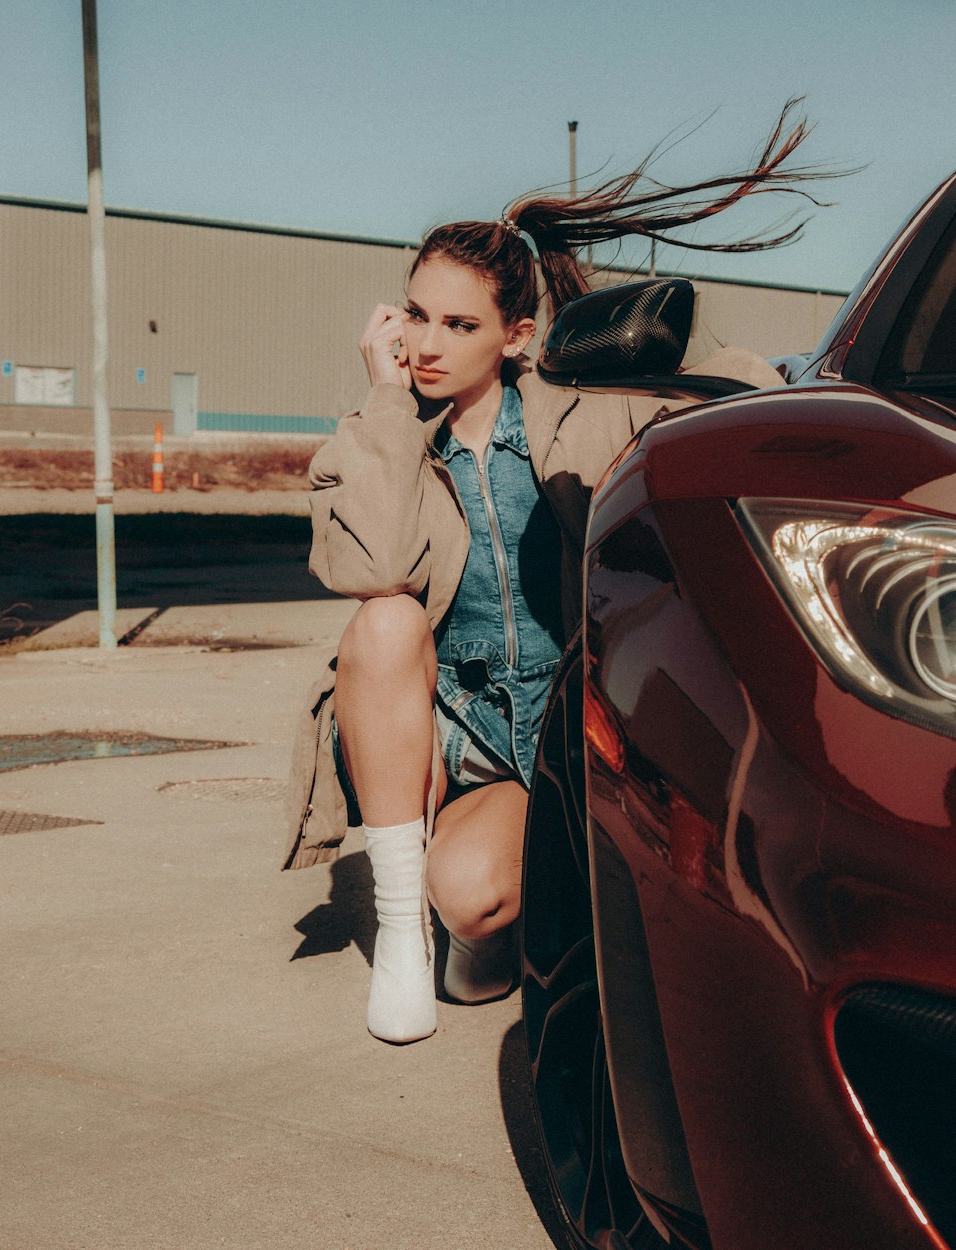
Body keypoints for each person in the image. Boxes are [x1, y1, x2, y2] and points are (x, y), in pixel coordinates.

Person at [285, 101, 842, 1043]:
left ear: (517, 337)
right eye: (415, 316)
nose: (424, 345)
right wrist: (384, 401)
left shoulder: (585, 410)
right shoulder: (381, 437)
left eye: (458, 324)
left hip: (547, 731)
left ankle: (481, 928)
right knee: (383, 622)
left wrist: (704, 361)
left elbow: (745, 391)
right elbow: (372, 562)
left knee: (480, 902)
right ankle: (402, 937)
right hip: (437, 737)